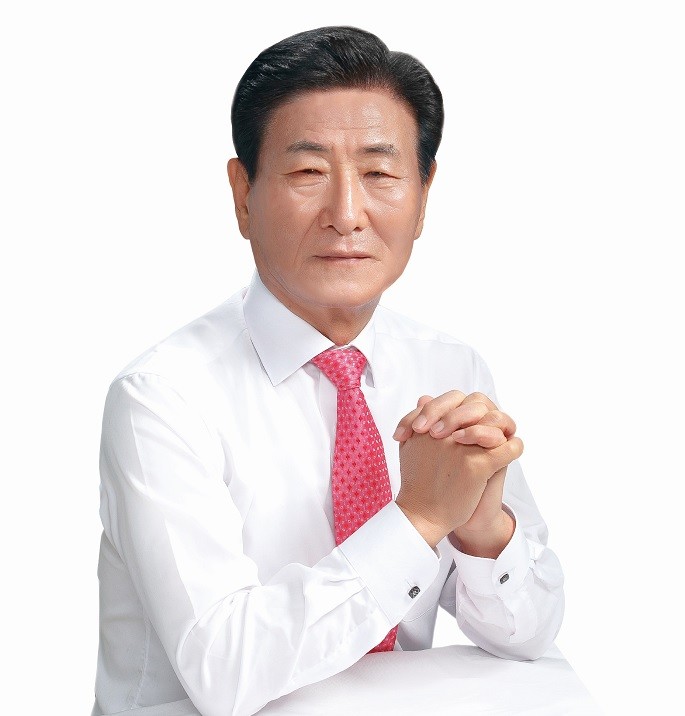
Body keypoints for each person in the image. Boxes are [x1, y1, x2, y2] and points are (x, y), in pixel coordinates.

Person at [90, 25, 565, 716]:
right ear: (243, 195)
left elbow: (528, 636)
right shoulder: (161, 397)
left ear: (424, 195)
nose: (346, 214)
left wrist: (483, 530)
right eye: (308, 172)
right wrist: (420, 517)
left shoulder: (449, 367)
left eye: (380, 174)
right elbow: (224, 672)